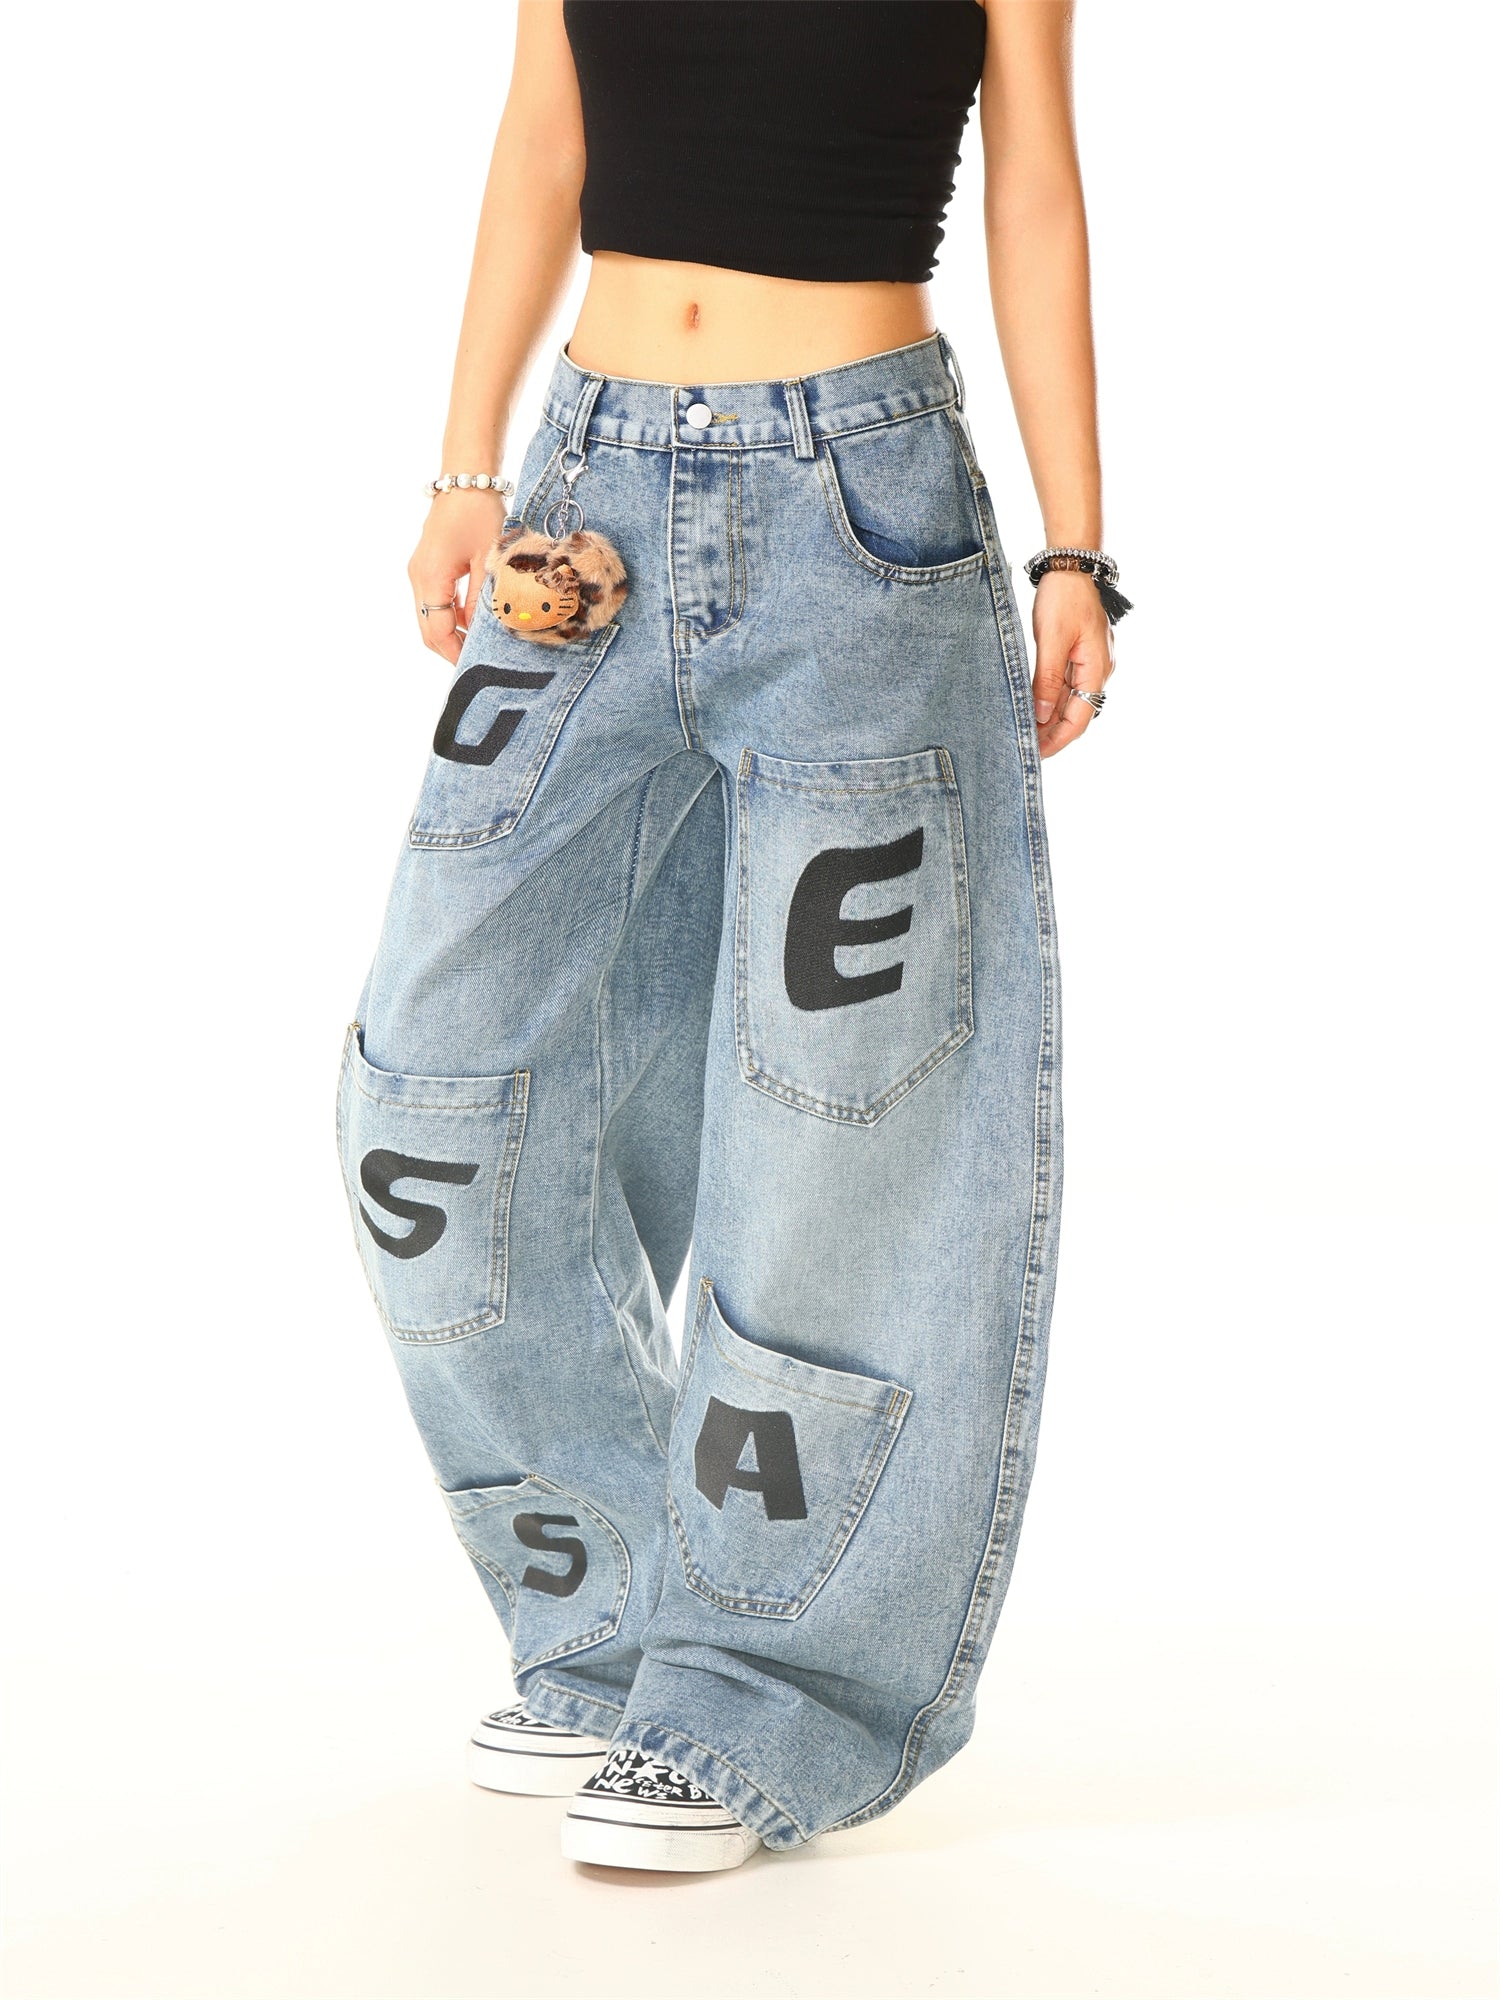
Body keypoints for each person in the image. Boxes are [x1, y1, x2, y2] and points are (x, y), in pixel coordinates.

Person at [336, 0, 1121, 1875]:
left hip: (862, 506)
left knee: (837, 1125)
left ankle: (767, 1693)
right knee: (428, 1094)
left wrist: (1075, 548)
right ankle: (618, 1623)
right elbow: (544, 138)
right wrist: (465, 467)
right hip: (583, 497)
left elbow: (1036, 185)